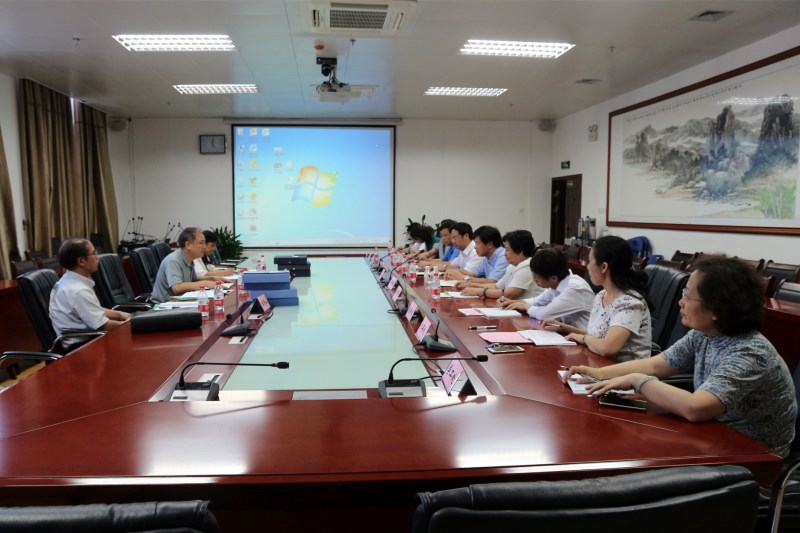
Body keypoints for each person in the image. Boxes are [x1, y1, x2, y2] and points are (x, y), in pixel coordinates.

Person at [565, 256, 796, 457]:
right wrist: (597, 373)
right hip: (712, 434)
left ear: (717, 308)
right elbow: (655, 365)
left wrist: (637, 381)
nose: (680, 302)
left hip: (755, 453)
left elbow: (696, 408)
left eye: (688, 296)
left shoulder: (749, 352)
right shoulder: (705, 334)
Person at [543, 235, 651, 361]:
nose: (587, 266)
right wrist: (565, 328)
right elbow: (595, 337)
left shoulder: (630, 304)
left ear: (604, 267)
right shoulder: (601, 295)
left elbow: (607, 347)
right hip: (600, 364)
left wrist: (582, 338)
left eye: (590, 261)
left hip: (625, 371)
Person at [49, 238, 131, 345]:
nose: (97, 257)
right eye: (94, 253)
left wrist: (120, 314)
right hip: (81, 346)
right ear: (81, 261)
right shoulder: (78, 291)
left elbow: (92, 309)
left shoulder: (69, 279)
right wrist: (132, 325)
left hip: (88, 338)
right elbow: (103, 325)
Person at [503, 247, 595, 329]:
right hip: (569, 333)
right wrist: (515, 303)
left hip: (586, 339)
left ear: (553, 278)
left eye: (536, 277)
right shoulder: (558, 282)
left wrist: (526, 307)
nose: (534, 280)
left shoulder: (574, 288)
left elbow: (544, 314)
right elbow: (537, 301)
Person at [456, 230, 542, 301]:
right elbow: (496, 286)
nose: (505, 254)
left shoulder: (527, 265)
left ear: (520, 252)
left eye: (507, 250)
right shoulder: (512, 266)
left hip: (529, 313)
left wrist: (480, 291)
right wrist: (470, 285)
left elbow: (509, 294)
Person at [151, 227, 225, 303]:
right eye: (201, 243)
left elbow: (193, 280)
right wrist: (204, 283)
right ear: (188, 245)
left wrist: (212, 279)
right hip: (165, 305)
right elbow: (177, 288)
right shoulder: (173, 260)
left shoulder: (189, 259)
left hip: (180, 302)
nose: (204, 247)